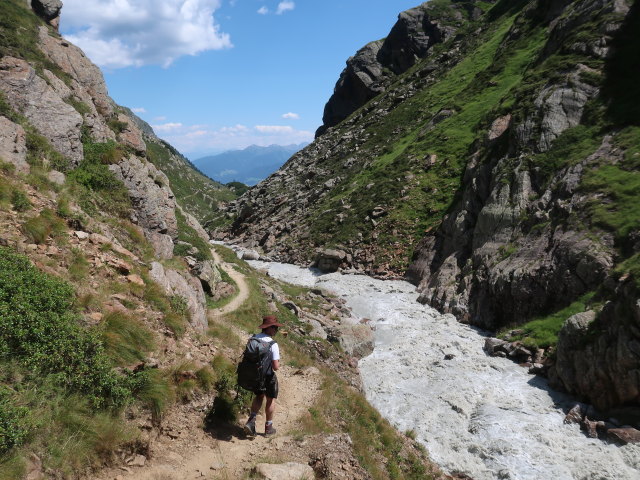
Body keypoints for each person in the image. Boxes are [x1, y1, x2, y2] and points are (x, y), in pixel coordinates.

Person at [244, 315, 283, 436]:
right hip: (267, 376)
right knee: (270, 400)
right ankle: (268, 428)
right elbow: (275, 366)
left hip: (255, 375)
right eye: (275, 328)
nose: (276, 330)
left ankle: (251, 421)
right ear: (269, 328)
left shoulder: (253, 338)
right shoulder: (273, 344)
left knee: (259, 396)